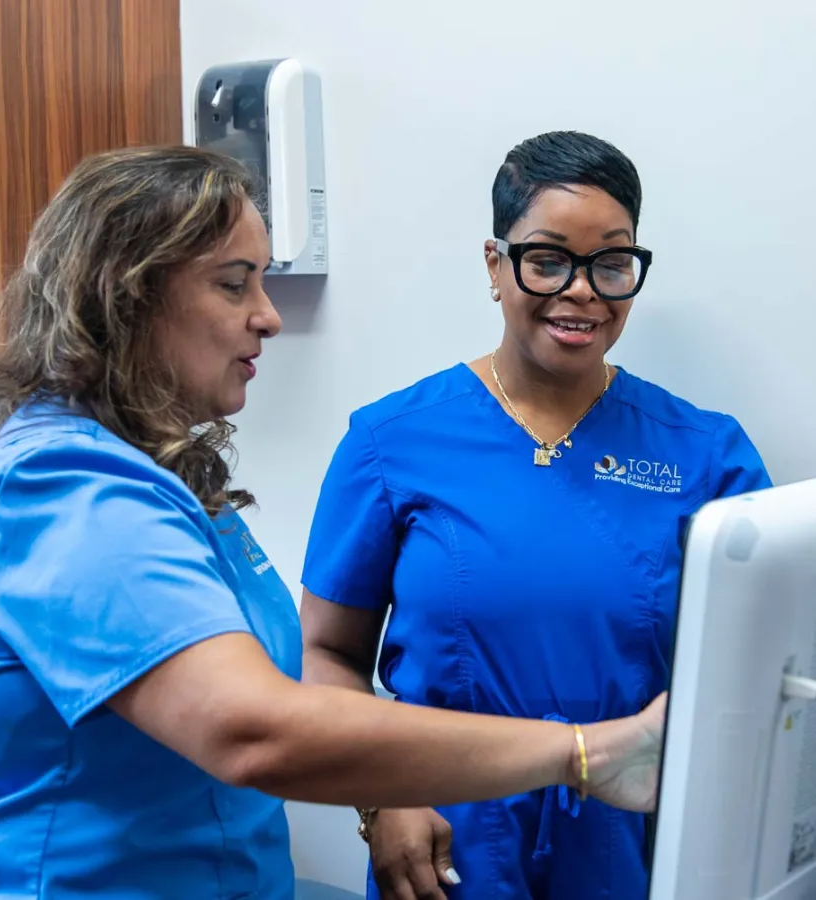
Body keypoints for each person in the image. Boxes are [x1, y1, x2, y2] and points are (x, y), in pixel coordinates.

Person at [0, 145, 665, 900]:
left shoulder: (159, 484)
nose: (269, 316)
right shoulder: (64, 491)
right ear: (128, 296)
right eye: (235, 283)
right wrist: (585, 752)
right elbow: (253, 728)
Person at [300, 131, 772, 900]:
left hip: (637, 842)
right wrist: (381, 797)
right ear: (496, 266)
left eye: (611, 263)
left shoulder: (705, 453)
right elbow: (327, 654)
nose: (582, 290)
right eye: (548, 258)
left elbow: (756, 669)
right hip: (447, 843)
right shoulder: (392, 442)